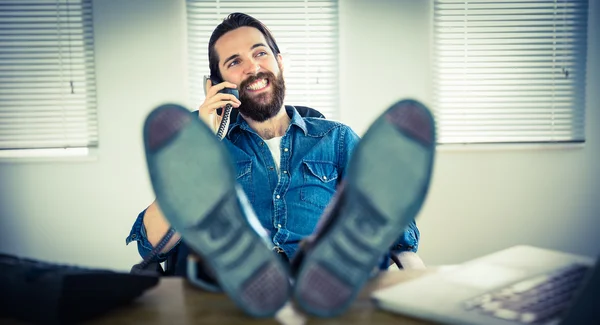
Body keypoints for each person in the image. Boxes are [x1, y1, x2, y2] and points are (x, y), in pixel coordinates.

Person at [126, 12, 433, 318]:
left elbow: (398, 234)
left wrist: (414, 277)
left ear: (279, 62)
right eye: (234, 62)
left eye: (260, 53)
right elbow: (152, 246)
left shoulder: (335, 138)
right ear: (216, 85)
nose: (253, 67)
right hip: (226, 304)